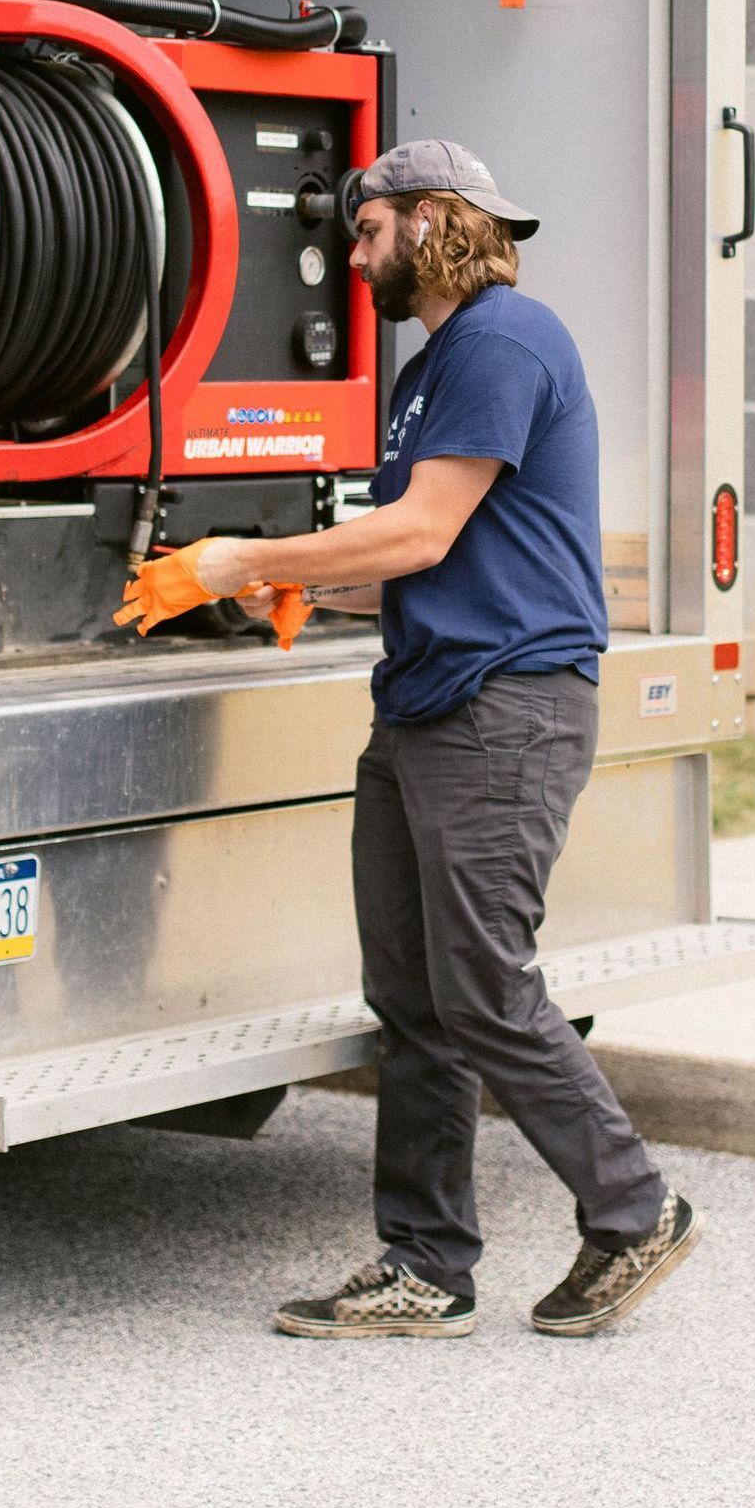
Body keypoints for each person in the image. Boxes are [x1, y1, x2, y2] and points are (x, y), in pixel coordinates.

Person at [192, 140, 701, 1338]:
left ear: (426, 223)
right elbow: (420, 563)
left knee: (482, 988)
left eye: (364, 232)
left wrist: (253, 556)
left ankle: (635, 1209)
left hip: (503, 710)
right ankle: (426, 1265)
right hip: (427, 702)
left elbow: (418, 534)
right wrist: (296, 593)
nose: (350, 256)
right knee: (414, 999)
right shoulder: (434, 369)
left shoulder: (502, 341)